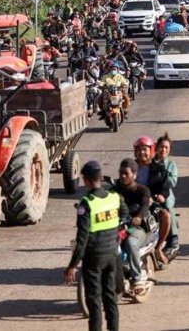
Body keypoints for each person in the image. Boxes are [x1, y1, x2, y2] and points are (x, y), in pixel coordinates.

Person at [64, 161, 127, 331]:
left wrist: (72, 266)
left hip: (94, 259)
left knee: (94, 303)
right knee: (111, 299)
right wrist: (117, 229)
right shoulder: (114, 197)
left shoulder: (87, 203)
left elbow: (82, 238)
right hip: (112, 255)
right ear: (100, 178)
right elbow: (125, 214)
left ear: (86, 180)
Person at [111, 158, 152, 291]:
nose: (122, 176)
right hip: (117, 227)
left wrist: (139, 217)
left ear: (134, 174)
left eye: (126, 173)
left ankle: (137, 278)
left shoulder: (142, 190)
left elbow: (145, 206)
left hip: (137, 229)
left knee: (131, 243)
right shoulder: (114, 191)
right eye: (121, 173)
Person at [133, 136, 173, 263]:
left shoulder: (159, 168)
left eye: (145, 149)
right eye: (139, 150)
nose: (142, 152)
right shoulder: (130, 167)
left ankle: (158, 248)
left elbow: (165, 186)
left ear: (151, 150)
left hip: (152, 203)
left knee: (166, 216)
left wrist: (161, 195)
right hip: (133, 203)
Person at [153, 134, 180, 258]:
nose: (163, 150)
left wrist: (163, 172)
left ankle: (173, 239)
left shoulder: (171, 165)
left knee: (168, 206)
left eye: (166, 148)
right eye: (161, 147)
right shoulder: (150, 162)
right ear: (156, 148)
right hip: (151, 192)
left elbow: (172, 182)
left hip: (166, 193)